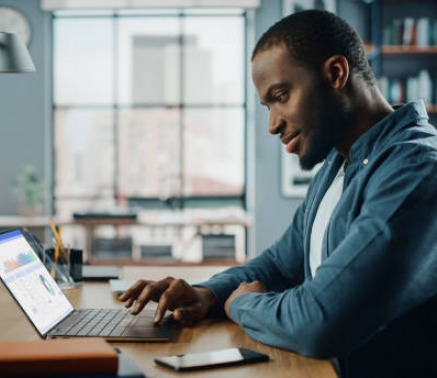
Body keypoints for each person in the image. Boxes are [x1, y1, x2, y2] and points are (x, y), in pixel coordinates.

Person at [119, 10, 437, 377]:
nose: (273, 125)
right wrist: (207, 295)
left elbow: (321, 321)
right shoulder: (339, 164)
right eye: (267, 106)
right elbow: (279, 265)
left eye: (281, 96)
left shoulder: (416, 170)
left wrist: (244, 305)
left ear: (336, 73)